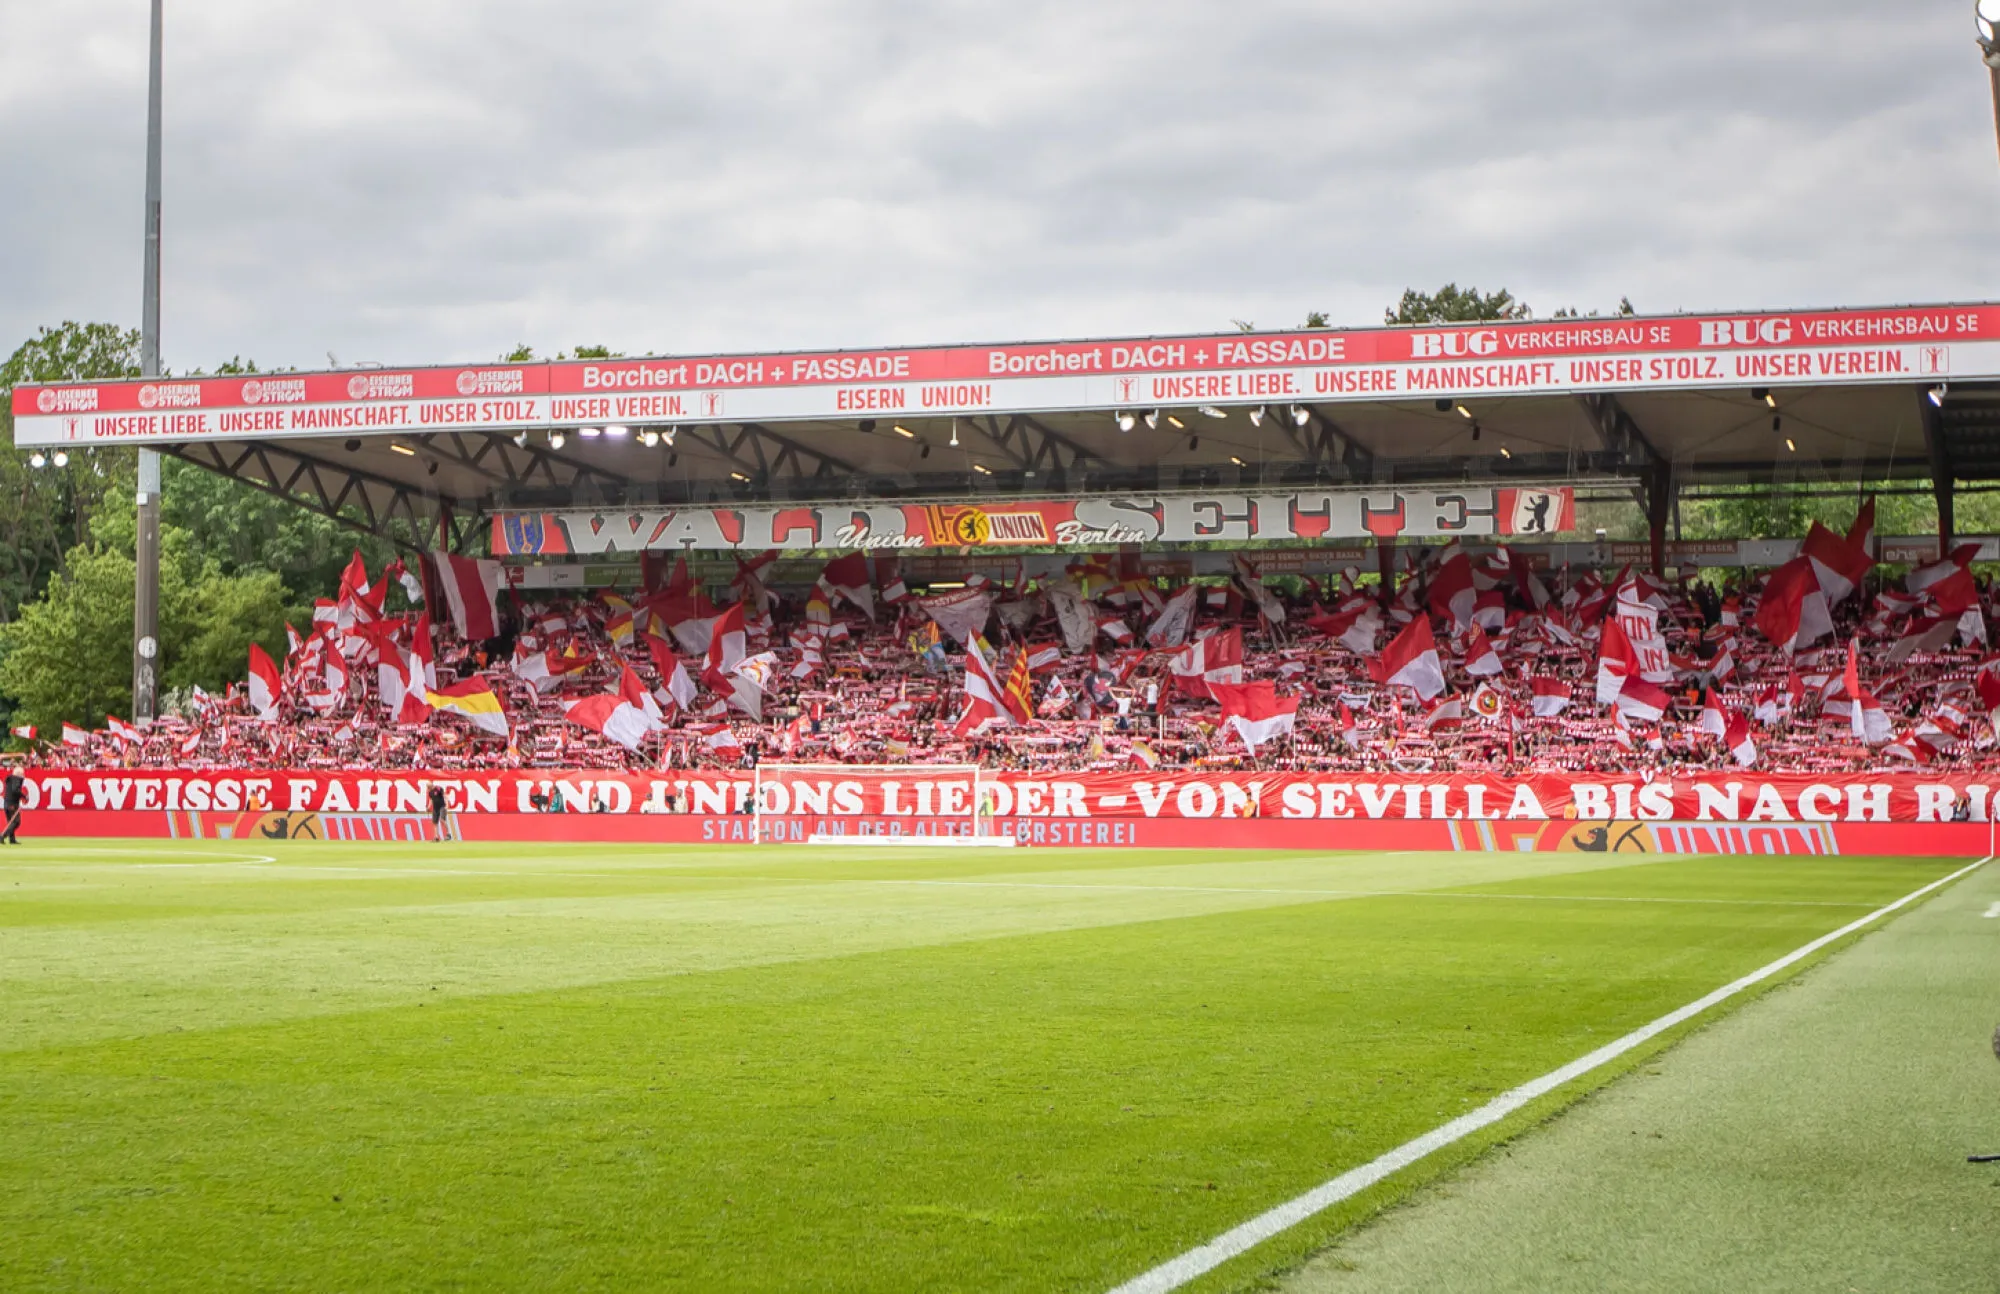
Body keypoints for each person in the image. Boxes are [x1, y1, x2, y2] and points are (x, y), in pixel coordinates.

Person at [0, 764, 24, 845]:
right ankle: (3, 835)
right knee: (16, 821)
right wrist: (24, 796)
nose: (23, 776)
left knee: (10, 822)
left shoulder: (9, 779)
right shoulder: (16, 779)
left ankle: (12, 839)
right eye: (22, 774)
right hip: (12, 804)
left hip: (7, 803)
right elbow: (15, 790)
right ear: (19, 774)